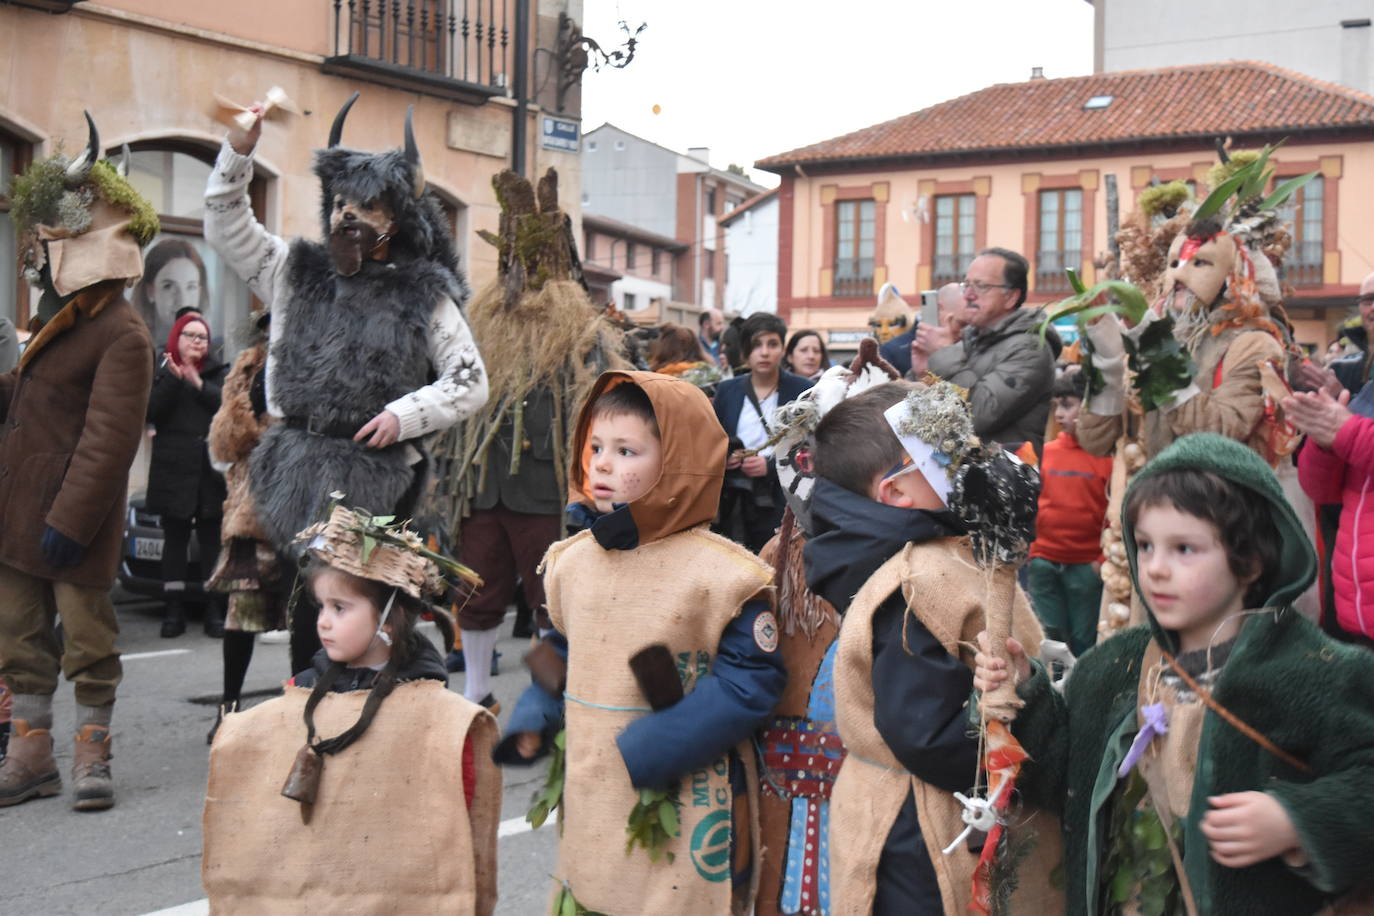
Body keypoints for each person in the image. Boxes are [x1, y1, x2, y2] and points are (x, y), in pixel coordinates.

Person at [975, 432, 1374, 916]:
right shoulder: (1112, 668)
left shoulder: (1319, 675)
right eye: (1145, 545)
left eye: (1184, 548)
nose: (1156, 569)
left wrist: (1299, 821)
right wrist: (1025, 694)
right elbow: (1064, 784)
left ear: (1251, 560)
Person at [204, 95, 488, 669]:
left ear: (395, 217)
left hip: (376, 475)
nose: (347, 217)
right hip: (290, 468)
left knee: (361, 617)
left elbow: (469, 380)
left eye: (366, 206)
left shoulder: (422, 292)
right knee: (296, 613)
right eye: (339, 203)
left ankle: (372, 717)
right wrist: (238, 151)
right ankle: (306, 721)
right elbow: (225, 221)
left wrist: (403, 415)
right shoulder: (293, 269)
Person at [494, 372, 785, 915]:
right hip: (593, 784)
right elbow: (559, 648)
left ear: (677, 463)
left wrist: (657, 747)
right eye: (596, 447)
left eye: (626, 451)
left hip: (681, 784)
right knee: (593, 884)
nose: (602, 464)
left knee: (672, 900)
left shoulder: (721, 575)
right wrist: (534, 716)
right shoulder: (573, 561)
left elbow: (752, 681)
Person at [801, 379, 1059, 914]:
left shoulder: (944, 552)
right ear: (895, 492)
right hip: (923, 836)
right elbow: (926, 734)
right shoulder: (917, 581)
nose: (966, 457)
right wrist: (1033, 741)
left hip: (923, 821)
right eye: (943, 450)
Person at [202, 506, 499, 913]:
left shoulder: (433, 712)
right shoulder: (303, 690)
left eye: (339, 608)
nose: (322, 622)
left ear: (389, 621)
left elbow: (450, 804)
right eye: (321, 607)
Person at [0, 115, 156, 810]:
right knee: (19, 638)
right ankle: (30, 756)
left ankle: (92, 755)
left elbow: (109, 441)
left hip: (71, 518)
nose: (36, 253)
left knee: (88, 644)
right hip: (17, 507)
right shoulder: (61, 314)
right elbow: (34, 401)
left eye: (49, 237)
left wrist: (70, 520)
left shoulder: (122, 331)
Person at [434, 166, 625, 709]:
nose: (527, 271)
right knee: (476, 590)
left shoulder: (580, 331)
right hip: (483, 489)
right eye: (517, 257)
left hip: (544, 489)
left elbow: (600, 403)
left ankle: (556, 697)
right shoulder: (479, 323)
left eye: (538, 257)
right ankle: (475, 692)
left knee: (551, 596)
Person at [202, 314, 290, 741]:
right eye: (270, 323)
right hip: (249, 510)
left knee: (309, 615)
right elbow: (224, 441)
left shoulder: (310, 360)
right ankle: (228, 707)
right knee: (241, 617)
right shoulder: (247, 366)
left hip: (297, 506)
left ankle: (304, 707)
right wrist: (243, 413)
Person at [928, 248, 1059, 456]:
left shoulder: (1030, 349)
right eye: (967, 285)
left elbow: (978, 414)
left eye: (981, 286)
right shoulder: (972, 339)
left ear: (1011, 297)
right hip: (964, 469)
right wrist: (920, 372)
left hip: (1005, 478)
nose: (969, 295)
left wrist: (944, 353)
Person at [146, 313, 229, 638]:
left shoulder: (219, 373)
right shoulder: (162, 372)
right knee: (175, 542)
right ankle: (173, 611)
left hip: (209, 475)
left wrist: (197, 384)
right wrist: (175, 379)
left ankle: (214, 610)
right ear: (176, 339)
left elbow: (227, 409)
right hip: (173, 472)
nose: (197, 342)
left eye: (203, 337)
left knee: (211, 543)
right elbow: (150, 412)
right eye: (190, 335)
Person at [1026, 370, 1114, 657]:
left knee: (1083, 640)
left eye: (1068, 405)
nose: (1060, 414)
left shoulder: (1108, 459)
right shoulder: (1045, 452)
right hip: (1043, 562)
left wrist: (1101, 561)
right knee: (1049, 637)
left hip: (1085, 568)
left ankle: (1077, 696)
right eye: (1057, 406)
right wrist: (1032, 550)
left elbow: (1114, 516)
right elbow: (1029, 501)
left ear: (1088, 406)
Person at [713, 312, 812, 551]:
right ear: (745, 351)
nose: (764, 352)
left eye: (772, 344)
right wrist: (725, 459)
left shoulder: (803, 390)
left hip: (782, 501)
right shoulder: (727, 391)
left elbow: (812, 446)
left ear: (782, 349)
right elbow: (713, 440)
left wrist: (769, 465)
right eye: (756, 345)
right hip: (734, 500)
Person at [1289, 384, 1374, 647]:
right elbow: (1321, 491)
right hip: (1355, 611)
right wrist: (1324, 444)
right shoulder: (1369, 394)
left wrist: (1350, 434)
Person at [132, 238, 209, 347]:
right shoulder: (134, 345)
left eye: (191, 287)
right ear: (150, 292)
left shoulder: (209, 356)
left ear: (200, 292)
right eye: (168, 286)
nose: (183, 301)